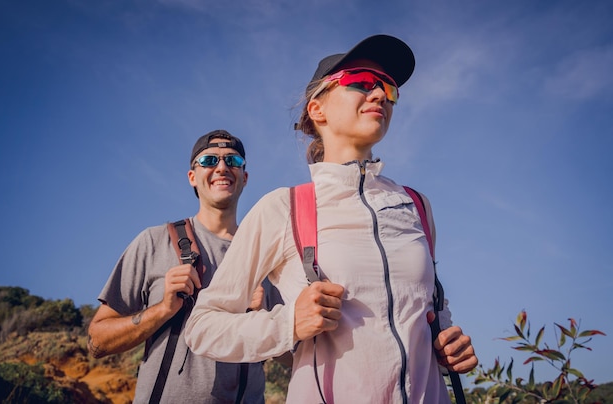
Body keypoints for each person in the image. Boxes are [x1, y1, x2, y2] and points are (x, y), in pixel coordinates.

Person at [184, 35, 478, 403]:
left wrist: (449, 344)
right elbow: (202, 327)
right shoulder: (284, 207)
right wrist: (287, 323)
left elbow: (430, 311)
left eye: (387, 88)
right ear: (317, 110)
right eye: (361, 82)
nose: (380, 95)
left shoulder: (416, 205)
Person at [87, 130, 270, 403]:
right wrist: (162, 310)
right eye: (209, 160)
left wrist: (265, 318)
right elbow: (97, 341)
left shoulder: (269, 257)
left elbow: (293, 357)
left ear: (244, 177)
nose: (222, 167)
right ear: (192, 177)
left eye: (232, 161)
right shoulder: (154, 242)